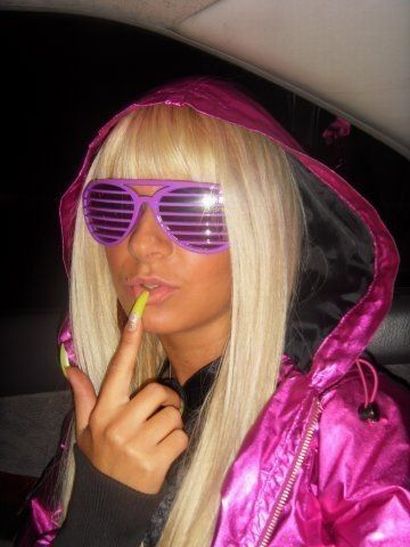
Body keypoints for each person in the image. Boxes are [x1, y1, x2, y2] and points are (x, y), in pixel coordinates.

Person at [16, 77, 409, 546]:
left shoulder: (361, 434)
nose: (141, 243)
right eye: (114, 206)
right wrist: (98, 515)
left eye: (190, 210)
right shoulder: (111, 412)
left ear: (261, 226)